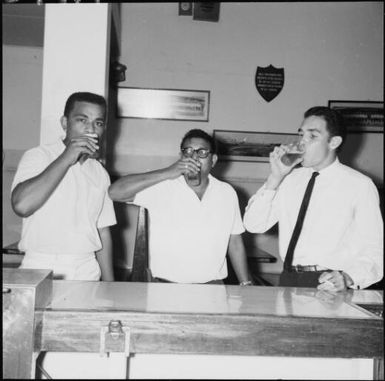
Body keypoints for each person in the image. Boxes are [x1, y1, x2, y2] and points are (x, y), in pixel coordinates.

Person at [243, 106, 383, 291]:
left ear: (333, 142)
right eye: (301, 135)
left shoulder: (360, 186)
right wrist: (275, 177)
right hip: (288, 279)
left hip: (329, 283)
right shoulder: (289, 179)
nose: (302, 142)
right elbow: (254, 224)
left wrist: (348, 278)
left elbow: (375, 252)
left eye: (312, 136)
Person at [109, 129, 252, 285]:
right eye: (188, 152)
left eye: (202, 152)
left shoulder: (226, 193)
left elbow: (235, 241)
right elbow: (115, 192)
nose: (194, 157)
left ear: (214, 160)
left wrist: (246, 283)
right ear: (181, 157)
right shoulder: (163, 186)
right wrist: (169, 171)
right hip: (165, 287)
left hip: (213, 287)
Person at [11, 91, 116, 281]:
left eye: (98, 123)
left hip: (87, 269)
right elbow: (22, 206)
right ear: (65, 123)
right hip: (41, 266)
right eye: (82, 120)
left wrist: (111, 286)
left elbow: (103, 231)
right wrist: (68, 156)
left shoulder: (100, 173)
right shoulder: (39, 156)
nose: (91, 129)